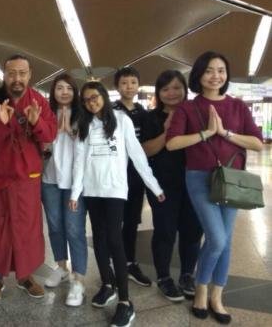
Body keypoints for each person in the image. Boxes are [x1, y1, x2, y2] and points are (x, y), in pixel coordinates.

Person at [166, 51, 263, 324]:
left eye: (221, 70)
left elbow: (257, 143)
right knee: (217, 238)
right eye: (209, 70)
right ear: (199, 75)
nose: (216, 75)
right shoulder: (188, 107)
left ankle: (217, 296)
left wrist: (226, 133)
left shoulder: (238, 106)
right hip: (199, 177)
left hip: (232, 179)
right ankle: (200, 289)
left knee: (226, 241)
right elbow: (172, 144)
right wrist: (206, 133)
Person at [70, 81, 164, 327]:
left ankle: (125, 302)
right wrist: (74, 193)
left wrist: (154, 186)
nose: (92, 102)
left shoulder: (122, 120)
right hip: (92, 190)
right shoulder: (85, 124)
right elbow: (80, 161)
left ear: (103, 96)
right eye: (87, 100)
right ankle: (107, 285)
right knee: (99, 239)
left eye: (95, 97)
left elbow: (137, 154)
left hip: (114, 189)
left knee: (114, 239)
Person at [0, 54, 57, 303]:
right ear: (4, 75)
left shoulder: (38, 101)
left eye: (22, 73)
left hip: (27, 180)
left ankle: (25, 277)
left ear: (30, 74)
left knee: (27, 231)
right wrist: (0, 123)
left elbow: (50, 133)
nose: (17, 78)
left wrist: (37, 121)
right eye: (11, 73)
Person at [141, 70, 202, 301]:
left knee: (193, 229)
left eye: (177, 87)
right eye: (165, 89)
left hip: (195, 181)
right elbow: (147, 151)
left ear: (185, 89)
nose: (172, 93)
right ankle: (164, 277)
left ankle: (187, 275)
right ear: (158, 92)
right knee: (165, 230)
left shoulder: (196, 113)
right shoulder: (151, 118)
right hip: (162, 183)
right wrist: (167, 130)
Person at [41, 73, 87, 307]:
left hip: (74, 183)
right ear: (53, 92)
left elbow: (84, 150)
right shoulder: (46, 114)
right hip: (49, 180)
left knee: (74, 229)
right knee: (56, 226)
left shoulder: (83, 115)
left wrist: (69, 129)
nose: (65, 92)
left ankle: (78, 280)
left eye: (69, 88)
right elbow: (42, 146)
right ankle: (61, 267)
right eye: (60, 88)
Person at [112, 67, 151, 287]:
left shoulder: (142, 112)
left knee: (132, 220)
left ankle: (130, 263)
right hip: (116, 175)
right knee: (114, 221)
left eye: (133, 82)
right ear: (117, 86)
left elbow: (147, 141)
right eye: (124, 83)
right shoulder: (111, 110)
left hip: (135, 176)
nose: (129, 87)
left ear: (138, 85)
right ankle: (116, 264)